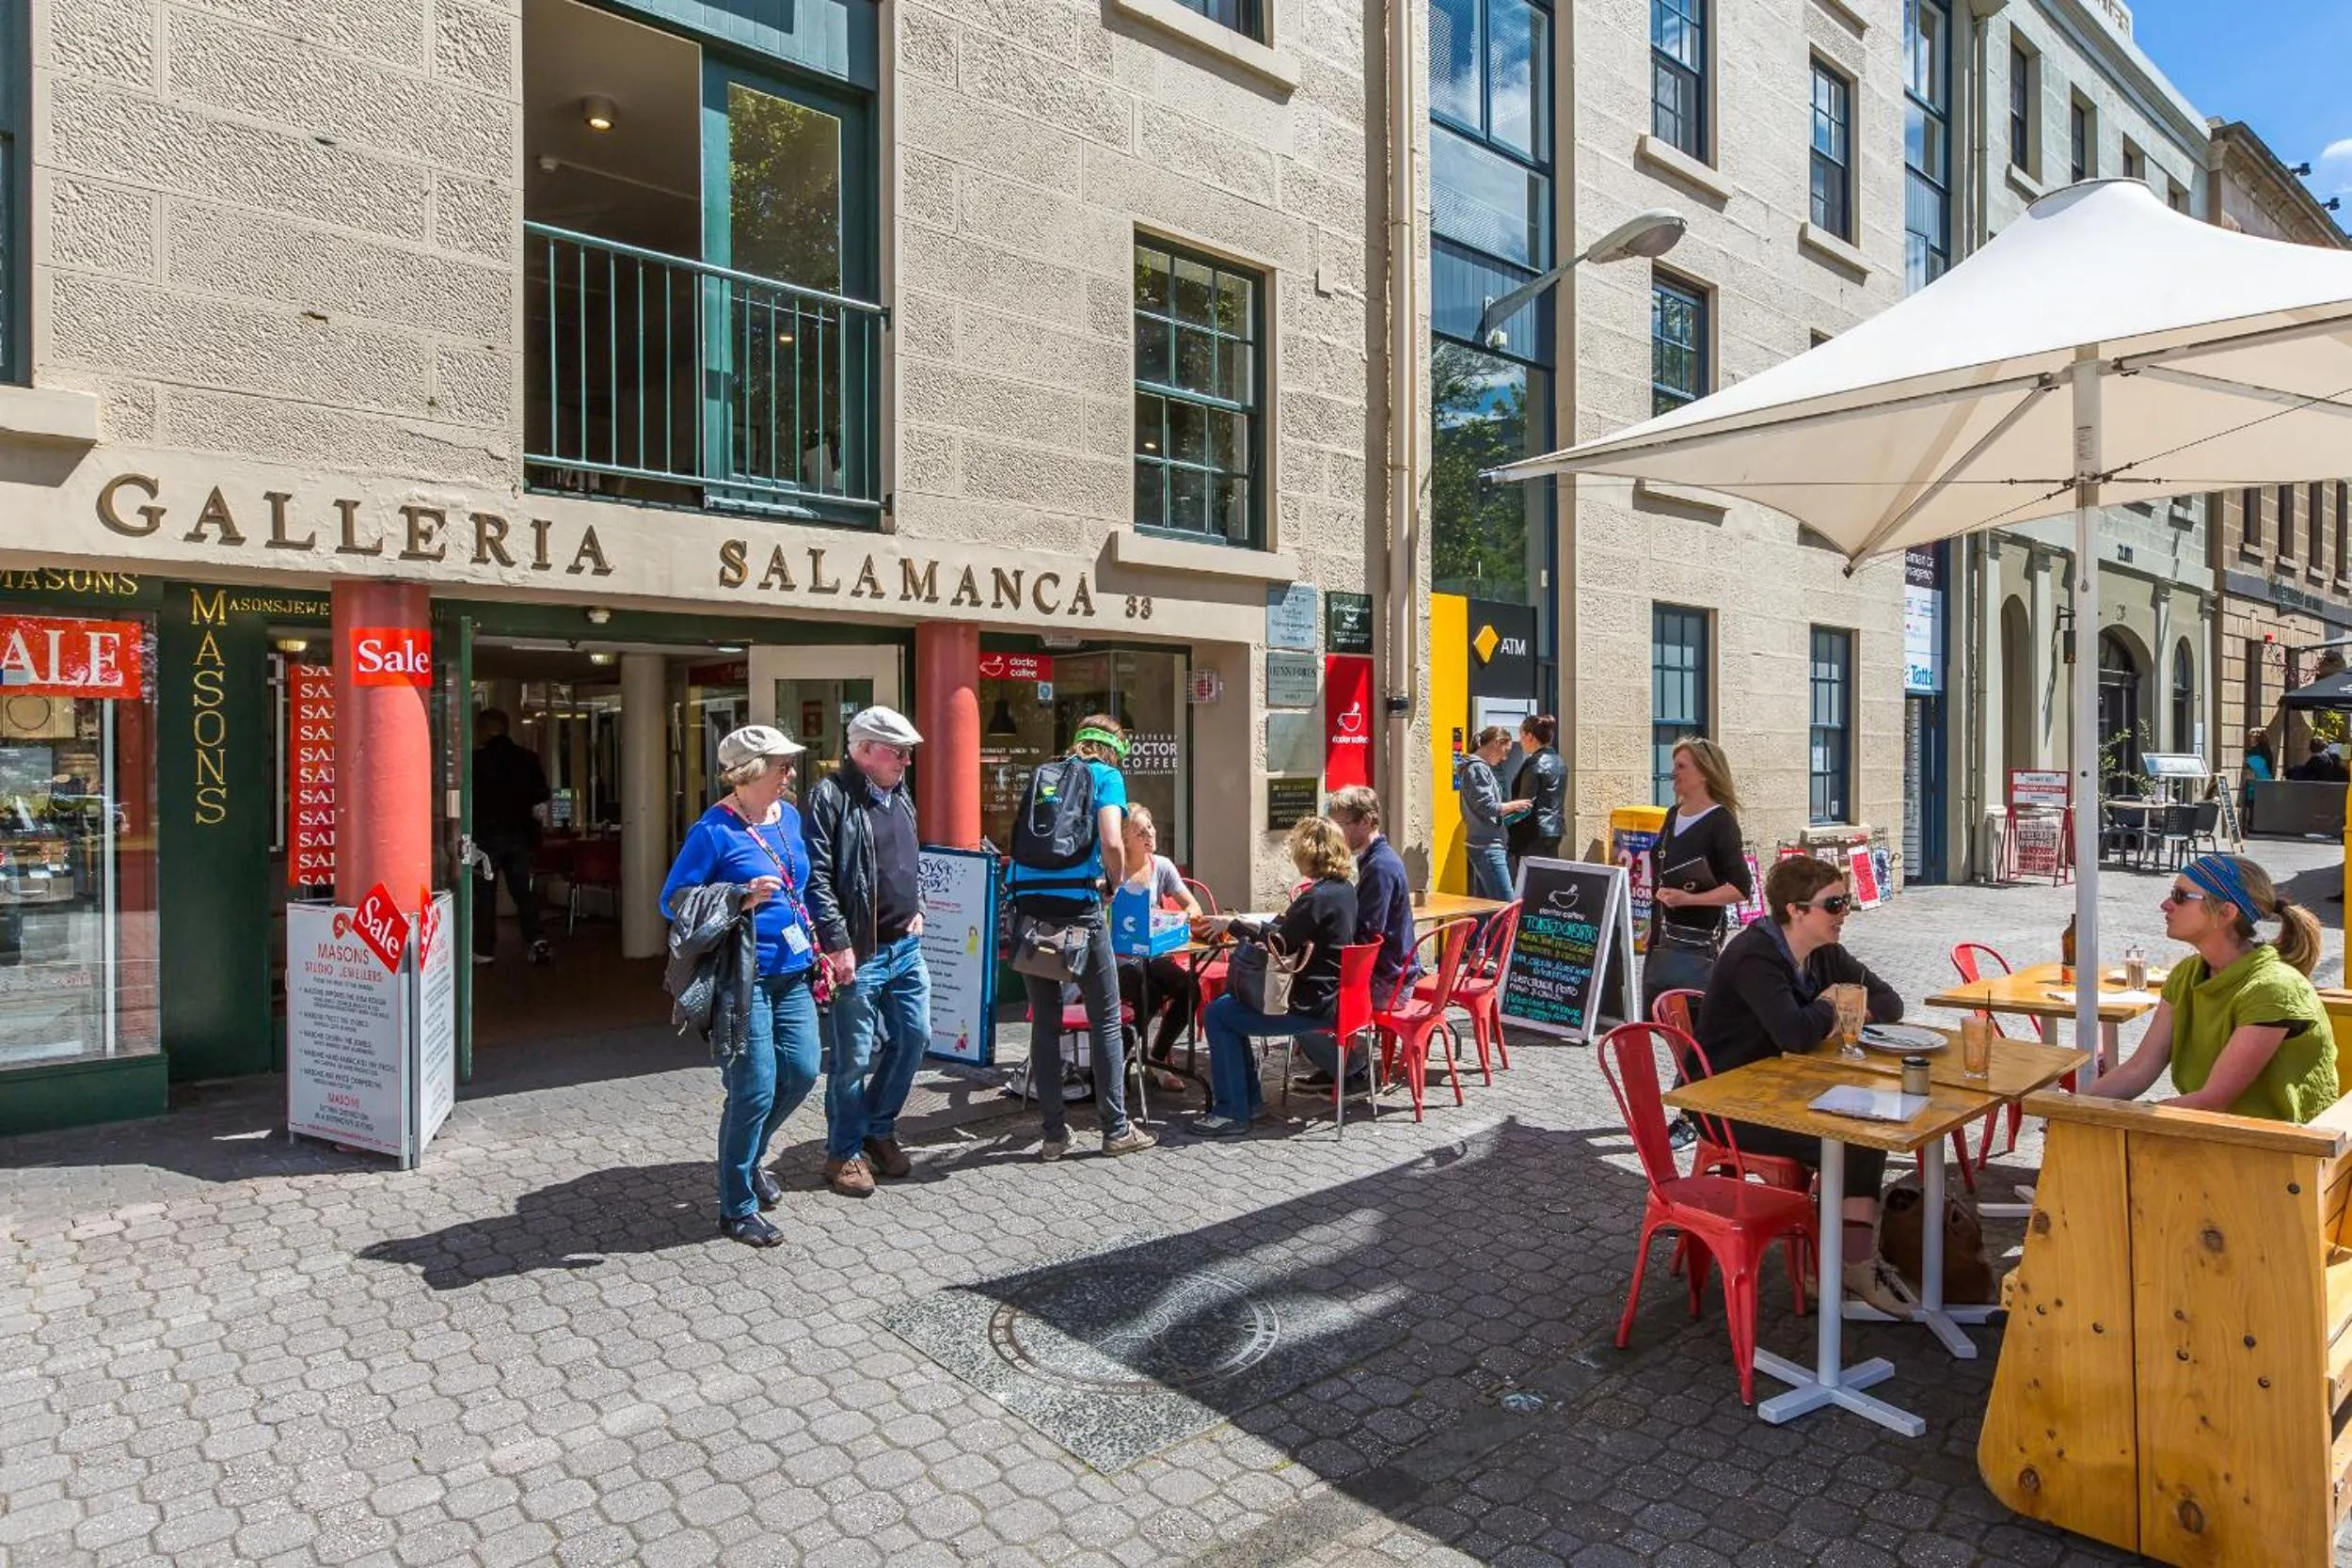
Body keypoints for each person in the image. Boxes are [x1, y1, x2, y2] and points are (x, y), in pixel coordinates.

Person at [1692, 855, 1915, 1311]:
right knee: (1852, 1138)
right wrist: (1833, 1005)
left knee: (1868, 1128)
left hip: (1784, 1091)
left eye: (1846, 901)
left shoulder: (1824, 952)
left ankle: (1846, 1262)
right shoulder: (1755, 955)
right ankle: (1838, 1264)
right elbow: (1793, 1033)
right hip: (1726, 1104)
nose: (1844, 913)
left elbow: (1891, 1002)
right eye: (1833, 904)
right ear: (1795, 910)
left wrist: (1841, 1009)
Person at [660, 725, 823, 1249]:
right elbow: (673, 900)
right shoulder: (713, 830)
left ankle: (750, 1157)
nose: (790, 774)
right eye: (781, 766)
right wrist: (738, 896)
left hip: (793, 970)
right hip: (742, 977)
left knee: (802, 1072)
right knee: (753, 1087)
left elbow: (802, 886)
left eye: (790, 765)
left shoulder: (788, 817)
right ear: (750, 772)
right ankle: (736, 1207)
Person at [1005, 714, 1157, 1161]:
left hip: (1030, 906)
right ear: (1116, 749)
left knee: (1045, 1022)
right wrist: (1114, 883)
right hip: (1077, 907)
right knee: (1105, 1018)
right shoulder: (1106, 776)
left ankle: (1053, 1134)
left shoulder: (1044, 774)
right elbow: (1111, 840)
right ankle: (1116, 1130)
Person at [2083, 853, 2337, 1122]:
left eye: (2180, 896)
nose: (2165, 904)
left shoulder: (2272, 988)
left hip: (2280, 1142)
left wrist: (2120, 1119)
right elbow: (2139, 1068)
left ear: (2226, 912)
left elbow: (2211, 1102)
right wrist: (2073, 1108)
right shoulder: (2187, 974)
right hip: (2214, 1132)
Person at [803, 705, 931, 1200]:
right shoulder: (830, 796)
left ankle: (878, 1127)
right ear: (864, 750)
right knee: (852, 1058)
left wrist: (918, 905)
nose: (905, 761)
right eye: (898, 752)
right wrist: (838, 944)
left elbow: (908, 857)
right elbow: (816, 877)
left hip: (905, 946)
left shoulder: (899, 793)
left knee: (914, 1037)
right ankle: (843, 1152)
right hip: (859, 952)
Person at [1193, 816, 1360, 1136]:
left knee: (1218, 1014)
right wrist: (1249, 924)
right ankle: (1248, 1102)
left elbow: (1280, 944)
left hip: (1307, 1005)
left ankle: (1232, 1111)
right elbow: (1293, 931)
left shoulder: (1315, 898)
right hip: (1332, 998)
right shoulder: (1344, 891)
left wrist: (1233, 925)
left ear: (1308, 853)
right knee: (1228, 1008)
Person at [1294, 785, 1418, 1093]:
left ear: (1366, 822)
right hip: (1391, 973)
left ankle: (1350, 1068)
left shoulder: (1380, 868)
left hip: (1387, 983)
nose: (1335, 834)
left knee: (1298, 1001)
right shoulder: (1374, 860)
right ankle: (1335, 1062)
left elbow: (1367, 933)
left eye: (1341, 825)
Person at [1644, 737, 1755, 1022]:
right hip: (1662, 938)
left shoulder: (1721, 822)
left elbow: (1741, 888)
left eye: (1681, 766)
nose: (1673, 773)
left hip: (1696, 944)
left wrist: (1689, 899)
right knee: (1660, 1020)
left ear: (1705, 773)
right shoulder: (1672, 814)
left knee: (1692, 1024)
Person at [1112, 805, 1203, 1092]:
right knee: (1146, 992)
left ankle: (1156, 1057)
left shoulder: (1161, 865)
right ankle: (1114, 1063)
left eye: (1150, 827)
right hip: (1119, 955)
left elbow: (1194, 907)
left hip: (1154, 952)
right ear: (1125, 839)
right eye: (1140, 832)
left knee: (1190, 989)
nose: (1149, 835)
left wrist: (1174, 919)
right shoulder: (1112, 868)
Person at [472, 708, 553, 966]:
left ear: (486, 729)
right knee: (522, 891)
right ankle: (537, 938)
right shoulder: (528, 759)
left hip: (485, 839)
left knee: (485, 895)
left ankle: (484, 950)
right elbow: (540, 802)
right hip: (520, 837)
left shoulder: (476, 761)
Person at [1458, 727, 1525, 903]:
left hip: (1483, 843)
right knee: (1506, 905)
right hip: (1488, 845)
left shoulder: (1474, 767)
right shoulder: (1478, 768)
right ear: (1496, 743)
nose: (1505, 758)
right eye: (1505, 751)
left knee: (1484, 907)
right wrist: (1514, 805)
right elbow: (1486, 806)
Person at [1507, 715, 1566, 874]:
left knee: (1530, 879)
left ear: (1530, 736)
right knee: (1547, 878)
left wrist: (1502, 821)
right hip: (1554, 829)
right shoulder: (1559, 761)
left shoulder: (1534, 763)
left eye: (1521, 736)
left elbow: (1525, 804)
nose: (1520, 741)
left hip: (1532, 833)